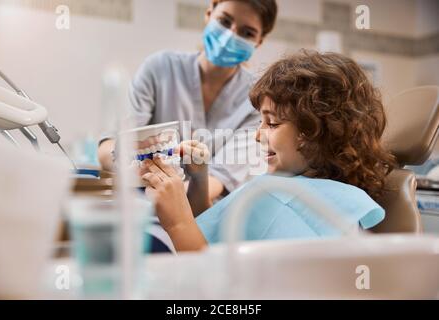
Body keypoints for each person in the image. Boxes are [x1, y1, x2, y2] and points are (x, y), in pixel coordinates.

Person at [139, 50, 397, 252]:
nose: (258, 134)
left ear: (316, 131)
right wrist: (199, 178)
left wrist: (177, 222)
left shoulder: (317, 210)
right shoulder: (284, 187)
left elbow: (221, 284)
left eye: (272, 123)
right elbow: (216, 231)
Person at [98, 0, 278, 202]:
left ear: (259, 41)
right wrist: (125, 162)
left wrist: (164, 195)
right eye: (225, 21)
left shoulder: (257, 99)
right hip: (140, 207)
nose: (230, 36)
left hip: (201, 213)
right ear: (209, 13)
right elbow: (109, 148)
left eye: (247, 33)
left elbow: (217, 180)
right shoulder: (160, 68)